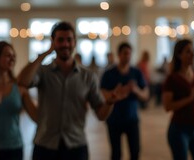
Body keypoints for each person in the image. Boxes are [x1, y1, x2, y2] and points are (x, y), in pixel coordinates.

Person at [18, 21, 129, 160]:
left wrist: (110, 103)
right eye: (60, 40)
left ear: (75, 42)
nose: (65, 44)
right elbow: (22, 81)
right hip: (45, 145)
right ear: (53, 42)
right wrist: (44, 54)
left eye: (69, 40)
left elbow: (101, 115)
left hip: (76, 147)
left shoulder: (88, 76)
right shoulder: (43, 72)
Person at [100, 42, 149, 160]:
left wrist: (136, 90)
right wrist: (114, 95)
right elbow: (101, 93)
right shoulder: (109, 74)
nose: (127, 56)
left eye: (129, 54)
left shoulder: (136, 73)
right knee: (116, 153)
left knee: (135, 152)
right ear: (119, 55)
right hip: (113, 119)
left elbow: (146, 95)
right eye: (125, 53)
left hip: (132, 119)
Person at [162, 39, 194, 160]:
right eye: (188, 51)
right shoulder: (172, 79)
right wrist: (190, 98)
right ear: (179, 55)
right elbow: (168, 106)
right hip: (180, 129)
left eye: (193, 51)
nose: (193, 54)